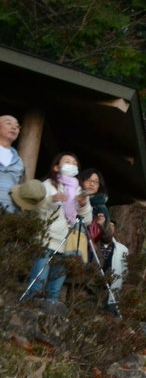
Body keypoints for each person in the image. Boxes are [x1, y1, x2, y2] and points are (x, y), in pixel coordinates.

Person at [14, 153, 91, 303]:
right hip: (46, 241)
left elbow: (86, 220)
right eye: (68, 161)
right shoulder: (47, 185)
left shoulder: (78, 190)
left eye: (75, 163)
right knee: (38, 282)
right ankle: (25, 310)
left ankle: (49, 319)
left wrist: (83, 205)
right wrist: (51, 200)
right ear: (56, 167)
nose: (72, 165)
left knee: (55, 289)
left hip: (67, 243)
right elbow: (34, 209)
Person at [0, 115, 24, 214]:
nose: (14, 128)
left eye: (17, 126)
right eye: (8, 123)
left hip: (8, 217)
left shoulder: (19, 162)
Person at [77, 168, 109, 240]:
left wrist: (100, 225)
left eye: (96, 182)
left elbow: (106, 236)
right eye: (89, 180)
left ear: (99, 186)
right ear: (81, 181)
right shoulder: (73, 196)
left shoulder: (101, 207)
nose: (92, 184)